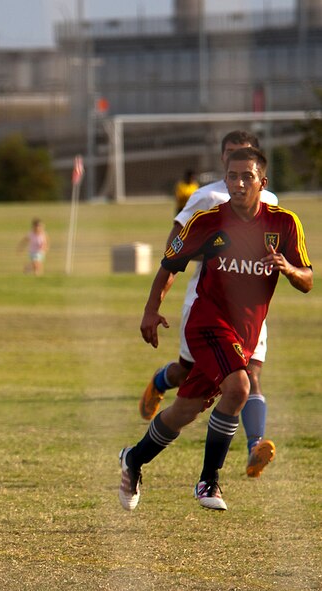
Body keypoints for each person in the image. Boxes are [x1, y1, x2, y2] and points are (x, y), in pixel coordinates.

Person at [120, 147, 312, 512]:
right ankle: (209, 481)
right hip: (206, 324)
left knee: (184, 411)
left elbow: (308, 280)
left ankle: (133, 459)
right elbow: (169, 264)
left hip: (244, 335)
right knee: (239, 387)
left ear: (262, 183)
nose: (238, 184)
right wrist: (150, 310)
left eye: (247, 177)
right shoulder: (208, 222)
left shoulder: (284, 224)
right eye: (232, 177)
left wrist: (288, 268)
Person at [139, 130, 280, 479]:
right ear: (223, 160)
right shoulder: (205, 198)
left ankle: (254, 447)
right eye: (232, 157)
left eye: (245, 161)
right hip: (207, 302)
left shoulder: (271, 201)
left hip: (250, 308)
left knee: (250, 375)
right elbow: (176, 244)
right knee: (188, 374)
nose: (238, 174)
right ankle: (160, 381)